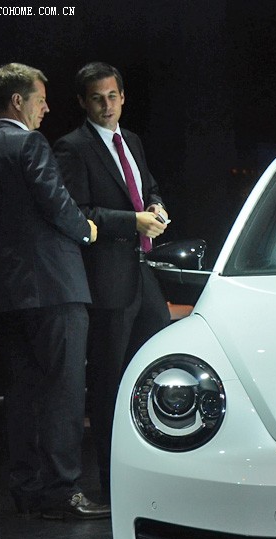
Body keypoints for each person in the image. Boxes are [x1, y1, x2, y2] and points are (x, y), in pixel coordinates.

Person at [0, 63, 109, 521]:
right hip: (54, 287)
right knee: (65, 391)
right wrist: (87, 230)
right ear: (17, 101)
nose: (46, 109)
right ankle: (62, 492)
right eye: (40, 100)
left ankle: (27, 488)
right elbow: (56, 203)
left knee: (22, 395)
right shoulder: (29, 143)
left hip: (7, 294)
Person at [54, 62, 171, 497]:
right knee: (109, 386)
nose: (107, 105)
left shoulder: (132, 140)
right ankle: (112, 484)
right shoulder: (72, 148)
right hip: (107, 282)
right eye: (97, 98)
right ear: (83, 102)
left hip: (143, 274)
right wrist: (132, 220)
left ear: (123, 97)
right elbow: (77, 213)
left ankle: (156, 471)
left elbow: (149, 187)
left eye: (112, 96)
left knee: (156, 372)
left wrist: (156, 208)